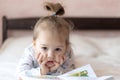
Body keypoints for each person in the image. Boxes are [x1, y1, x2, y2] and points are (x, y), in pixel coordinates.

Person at [17, 2, 75, 78]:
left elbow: (71, 73)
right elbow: (21, 74)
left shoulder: (67, 53)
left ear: (66, 47)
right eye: (44, 48)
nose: (50, 55)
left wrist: (56, 70)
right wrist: (41, 71)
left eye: (57, 49)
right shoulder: (30, 52)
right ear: (34, 45)